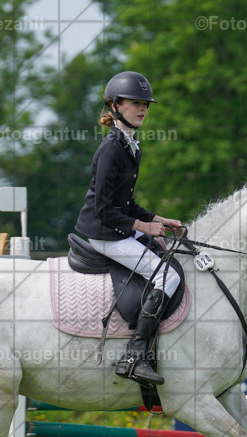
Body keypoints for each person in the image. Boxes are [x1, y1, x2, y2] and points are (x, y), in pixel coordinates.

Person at [75, 71, 183, 388]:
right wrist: (143, 227)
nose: (142, 110)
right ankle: (135, 356)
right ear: (115, 105)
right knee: (168, 276)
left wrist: (158, 219)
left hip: (117, 227)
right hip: (105, 234)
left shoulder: (130, 146)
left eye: (145, 105)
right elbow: (104, 210)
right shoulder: (110, 150)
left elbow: (127, 203)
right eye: (136, 103)